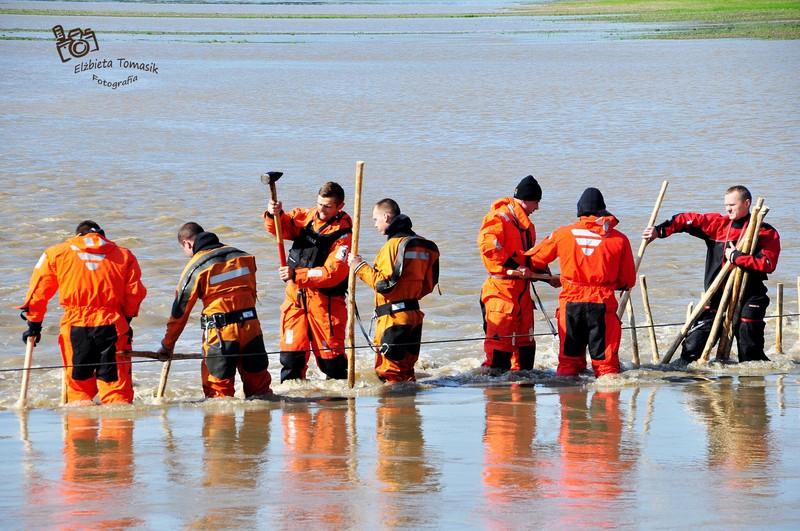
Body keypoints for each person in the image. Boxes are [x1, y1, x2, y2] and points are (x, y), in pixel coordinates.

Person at [642, 185, 780, 365]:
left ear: (747, 203)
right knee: (692, 348)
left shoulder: (764, 231)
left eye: (732, 204)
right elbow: (686, 220)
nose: (728, 209)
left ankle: (752, 387)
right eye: (726, 205)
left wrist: (737, 257)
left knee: (749, 354)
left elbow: (768, 264)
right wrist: (659, 231)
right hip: (716, 295)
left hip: (749, 295)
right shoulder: (718, 224)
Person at [16, 220, 146, 404]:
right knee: (117, 390)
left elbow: (39, 291)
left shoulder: (56, 253)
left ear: (78, 235)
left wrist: (34, 325)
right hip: (112, 324)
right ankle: (118, 429)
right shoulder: (124, 255)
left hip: (75, 326)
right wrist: (126, 320)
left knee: (79, 391)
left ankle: (80, 429)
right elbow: (135, 293)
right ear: (102, 235)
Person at [526, 188, 636, 377]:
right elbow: (627, 281)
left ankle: (569, 402)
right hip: (602, 303)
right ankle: (607, 403)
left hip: (571, 302)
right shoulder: (620, 239)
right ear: (603, 211)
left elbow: (535, 260)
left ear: (580, 211)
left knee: (569, 362)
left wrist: (552, 274)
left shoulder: (563, 233)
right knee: (606, 366)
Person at [156, 222, 272, 398]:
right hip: (251, 328)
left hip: (220, 335)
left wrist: (167, 345)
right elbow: (251, 293)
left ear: (187, 243)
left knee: (219, 396)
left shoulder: (196, 266)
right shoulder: (244, 257)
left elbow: (180, 312)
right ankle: (260, 424)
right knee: (261, 392)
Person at [264, 181, 353, 382]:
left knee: (332, 362)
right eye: (320, 203)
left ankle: (336, 407)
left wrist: (296, 274)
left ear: (340, 206)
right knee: (290, 356)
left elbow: (332, 273)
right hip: (295, 299)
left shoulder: (344, 237)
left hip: (325, 305)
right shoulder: (307, 216)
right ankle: (293, 406)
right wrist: (274, 214)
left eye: (328, 206)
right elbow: (282, 227)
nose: (322, 209)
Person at [347, 199, 440, 382]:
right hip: (414, 314)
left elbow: (384, 285)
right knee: (406, 371)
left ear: (386, 217)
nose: (375, 224)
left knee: (390, 373)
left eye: (375, 219)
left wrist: (359, 267)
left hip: (394, 318)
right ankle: (408, 407)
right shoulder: (424, 244)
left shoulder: (392, 246)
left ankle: (394, 409)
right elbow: (429, 285)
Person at [478, 175, 552, 371]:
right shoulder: (498, 217)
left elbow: (527, 258)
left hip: (522, 293)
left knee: (526, 348)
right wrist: (516, 267)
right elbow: (490, 247)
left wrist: (546, 275)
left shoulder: (525, 225)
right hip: (501, 291)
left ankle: (523, 398)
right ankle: (496, 396)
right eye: (536, 202)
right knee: (499, 351)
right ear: (526, 199)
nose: (537, 207)